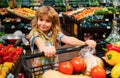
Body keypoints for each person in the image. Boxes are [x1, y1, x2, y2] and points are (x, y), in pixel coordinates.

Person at [28, 6, 96, 68]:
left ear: (53, 23)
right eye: (41, 20)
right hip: (39, 70)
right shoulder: (34, 32)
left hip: (54, 67)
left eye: (48, 21)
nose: (43, 24)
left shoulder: (54, 33)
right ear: (37, 20)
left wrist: (85, 43)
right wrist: (44, 48)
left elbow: (68, 39)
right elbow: (38, 40)